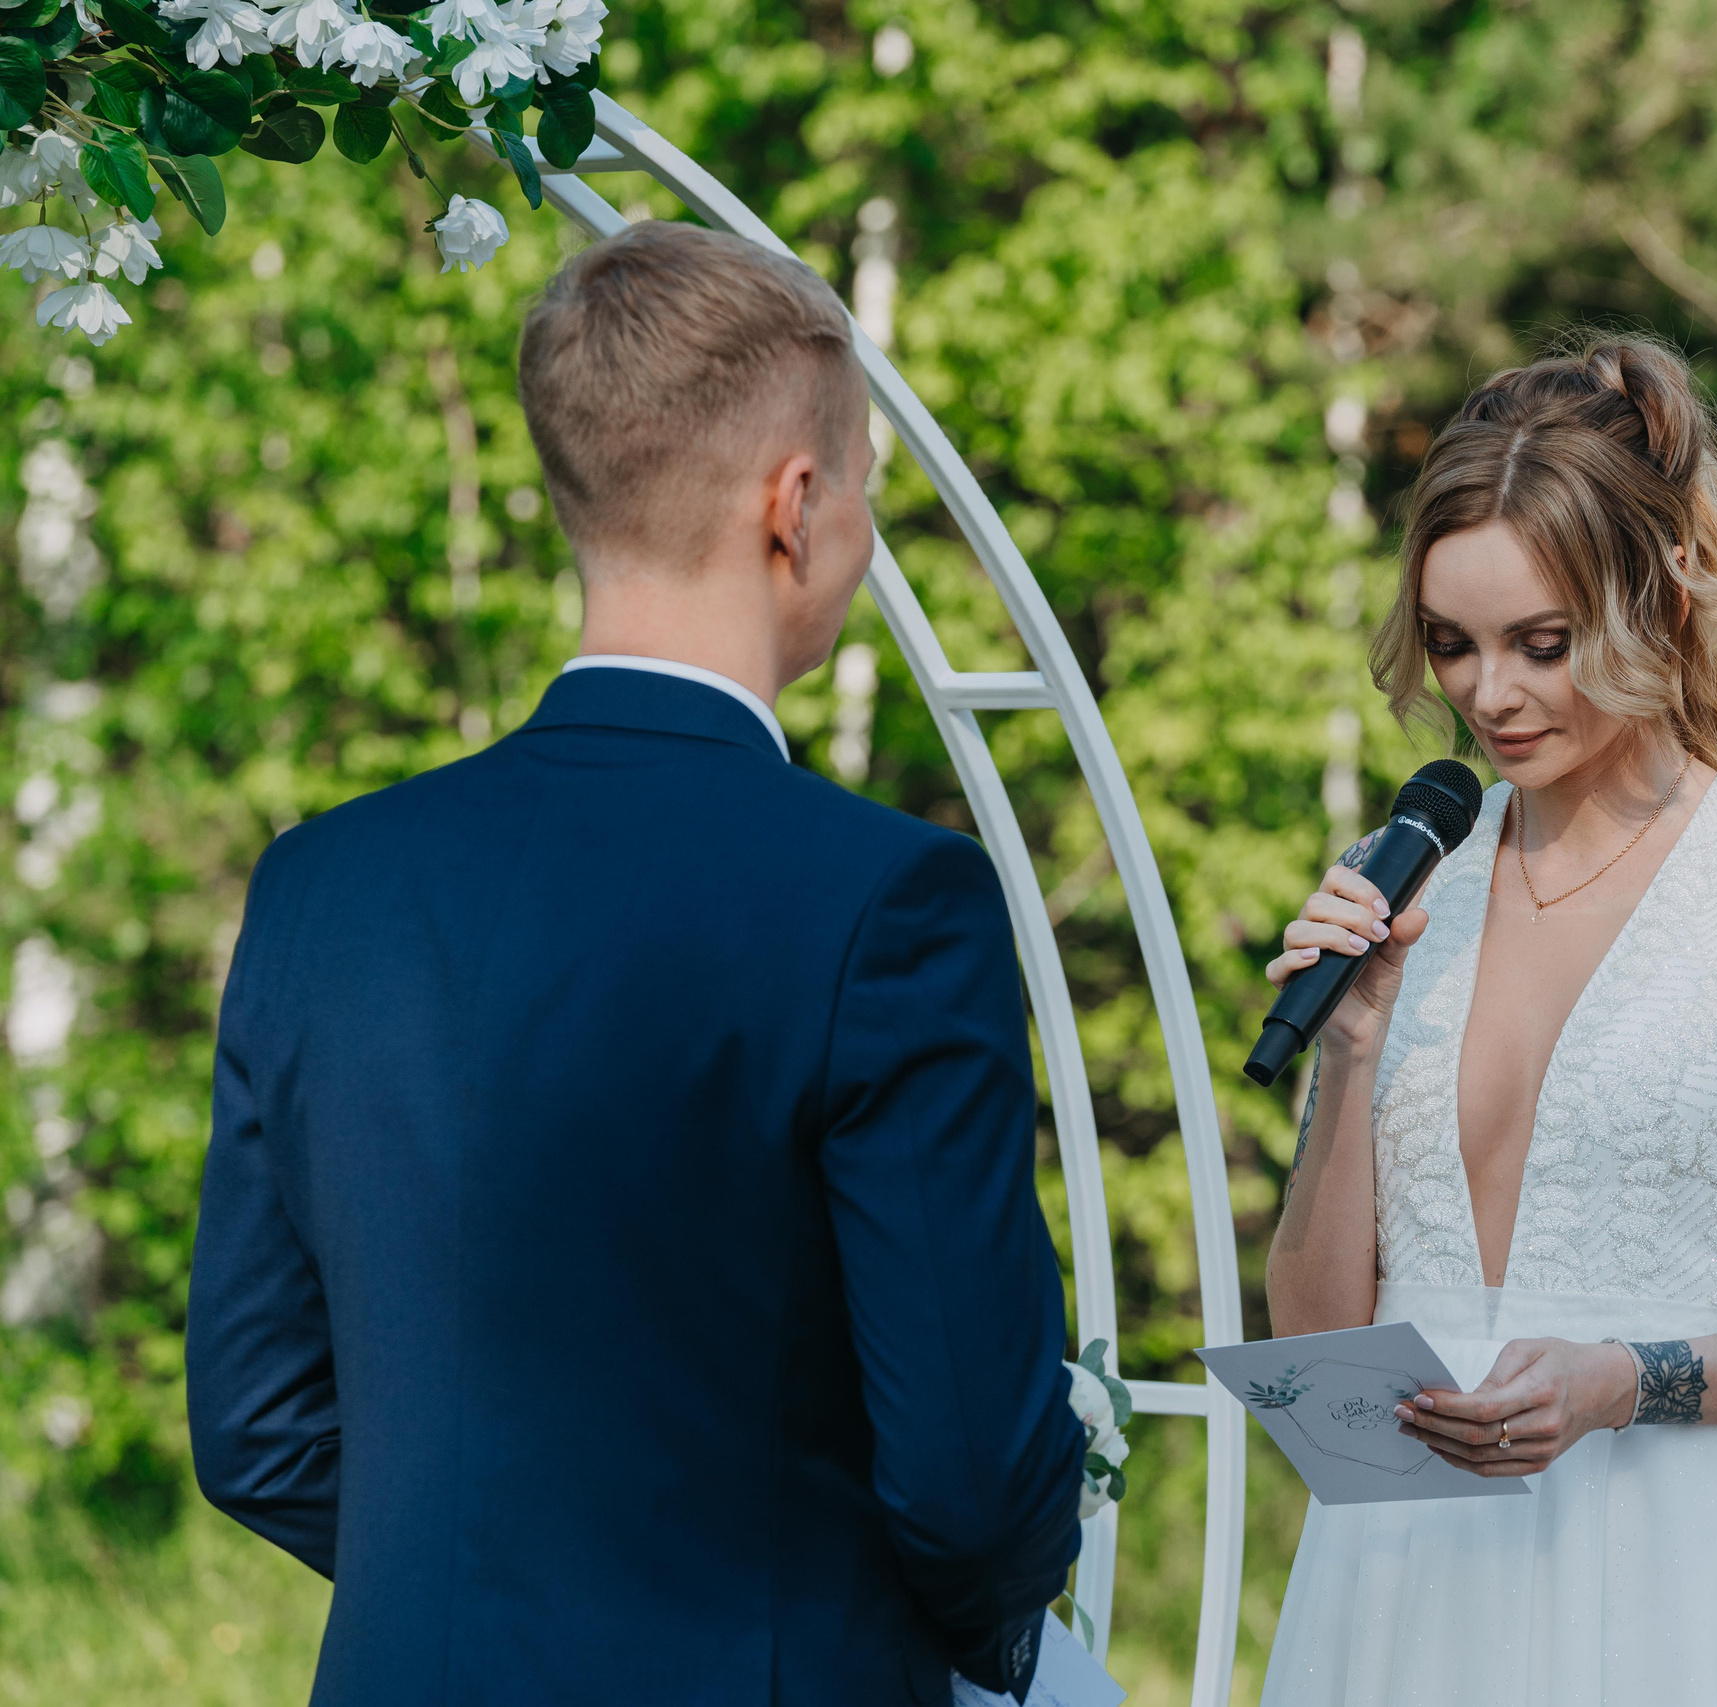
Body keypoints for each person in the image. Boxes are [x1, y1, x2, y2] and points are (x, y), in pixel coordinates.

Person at [184, 222, 1086, 1706]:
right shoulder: (885, 902)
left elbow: (258, 1430)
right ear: (795, 507)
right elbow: (975, 1486)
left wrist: (501, 1596)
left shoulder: (320, 889)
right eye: (861, 488)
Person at [1259, 336, 1717, 1705]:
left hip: (1666, 1566)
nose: (1489, 695)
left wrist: (1623, 1381)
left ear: (1657, 601)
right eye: (1452, 646)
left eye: (1542, 644)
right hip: (1405, 1575)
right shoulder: (1416, 888)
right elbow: (1316, 1349)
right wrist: (1351, 1044)